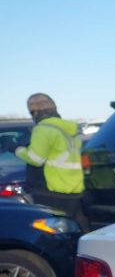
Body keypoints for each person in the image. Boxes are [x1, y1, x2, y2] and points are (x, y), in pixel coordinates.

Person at [10, 93, 89, 231]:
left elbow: (36, 159)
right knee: (76, 225)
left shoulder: (43, 129)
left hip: (51, 190)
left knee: (53, 229)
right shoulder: (70, 129)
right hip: (74, 188)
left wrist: (16, 149)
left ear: (34, 112)